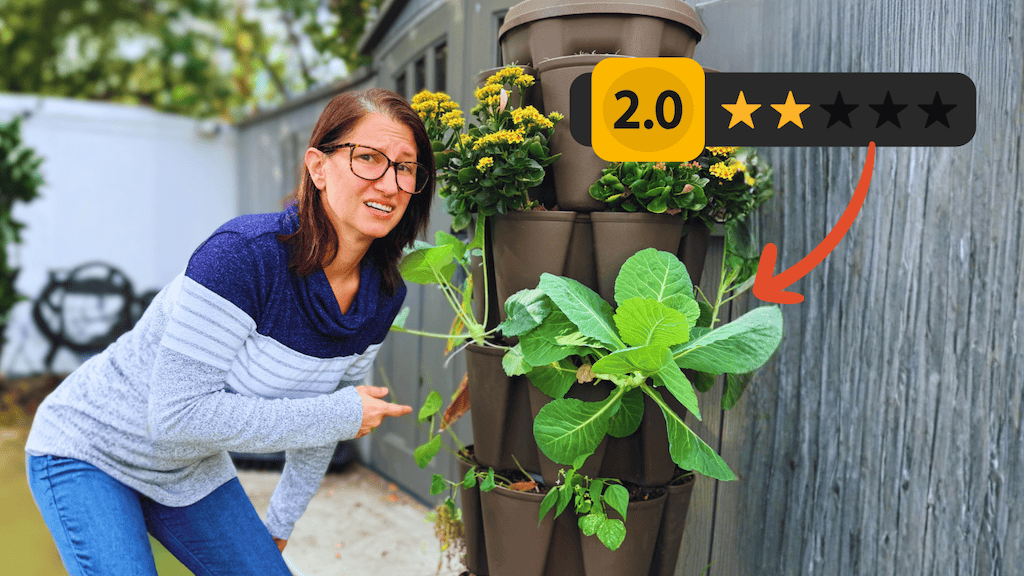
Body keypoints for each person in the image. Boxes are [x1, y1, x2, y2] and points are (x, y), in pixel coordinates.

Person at [24, 87, 433, 575]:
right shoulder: (243, 256)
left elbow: (326, 422)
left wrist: (281, 521)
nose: (389, 183)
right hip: (89, 446)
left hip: (187, 469)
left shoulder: (381, 296)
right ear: (318, 168)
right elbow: (177, 416)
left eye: (406, 167)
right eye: (368, 158)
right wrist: (338, 414)